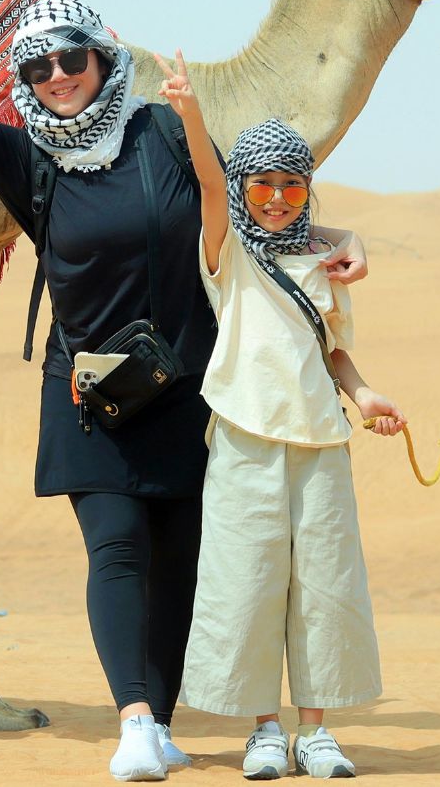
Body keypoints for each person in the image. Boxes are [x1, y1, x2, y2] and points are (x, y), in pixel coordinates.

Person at [0, 0, 367, 783]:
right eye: (38, 69)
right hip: (90, 394)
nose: (57, 77)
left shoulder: (163, 132)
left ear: (101, 59)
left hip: (191, 391)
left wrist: (345, 235)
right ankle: (133, 720)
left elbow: (252, 207)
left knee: (179, 559)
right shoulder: (30, 164)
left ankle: (159, 725)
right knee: (117, 549)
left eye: (72, 59)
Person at [155, 85, 406, 782]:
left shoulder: (324, 267)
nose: (276, 197)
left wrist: (365, 396)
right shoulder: (227, 254)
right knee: (250, 580)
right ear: (243, 186)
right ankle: (264, 729)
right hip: (243, 436)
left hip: (321, 439)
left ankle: (316, 732)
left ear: (307, 190)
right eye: (262, 183)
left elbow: (333, 352)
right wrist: (190, 112)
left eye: (292, 185)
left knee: (325, 583)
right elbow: (209, 180)